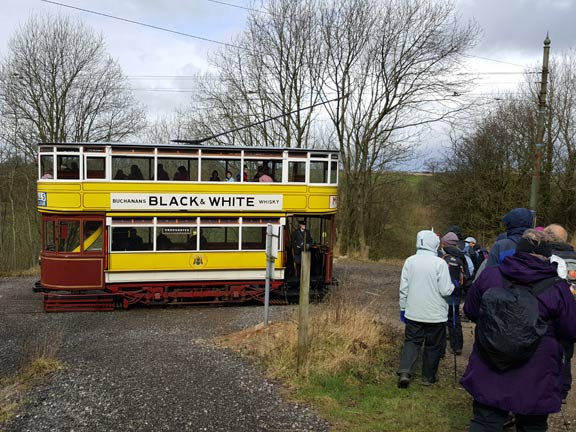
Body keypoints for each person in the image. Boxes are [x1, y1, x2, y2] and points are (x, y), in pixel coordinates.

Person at [461, 230, 576, 431]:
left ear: (518, 250)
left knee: (485, 421)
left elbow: (471, 310)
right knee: (533, 425)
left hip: (491, 361)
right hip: (536, 371)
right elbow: (571, 329)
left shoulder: (490, 275)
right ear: (547, 256)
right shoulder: (558, 288)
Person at [397, 230, 454, 388]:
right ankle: (428, 377)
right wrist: (453, 286)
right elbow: (445, 290)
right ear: (434, 244)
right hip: (436, 314)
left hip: (413, 311)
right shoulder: (440, 263)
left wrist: (403, 308)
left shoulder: (410, 261)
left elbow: (404, 288)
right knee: (433, 345)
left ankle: (405, 371)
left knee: (412, 342)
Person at [545, 223, 575, 403]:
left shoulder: (546, 258)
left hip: (550, 308)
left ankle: (547, 385)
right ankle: (563, 388)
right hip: (572, 312)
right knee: (566, 351)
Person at [439, 232, 467, 356]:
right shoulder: (462, 257)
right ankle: (457, 346)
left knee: (441, 321)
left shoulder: (442, 256)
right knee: (455, 319)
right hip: (456, 293)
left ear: (445, 243)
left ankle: (441, 349)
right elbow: (467, 276)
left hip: (443, 294)